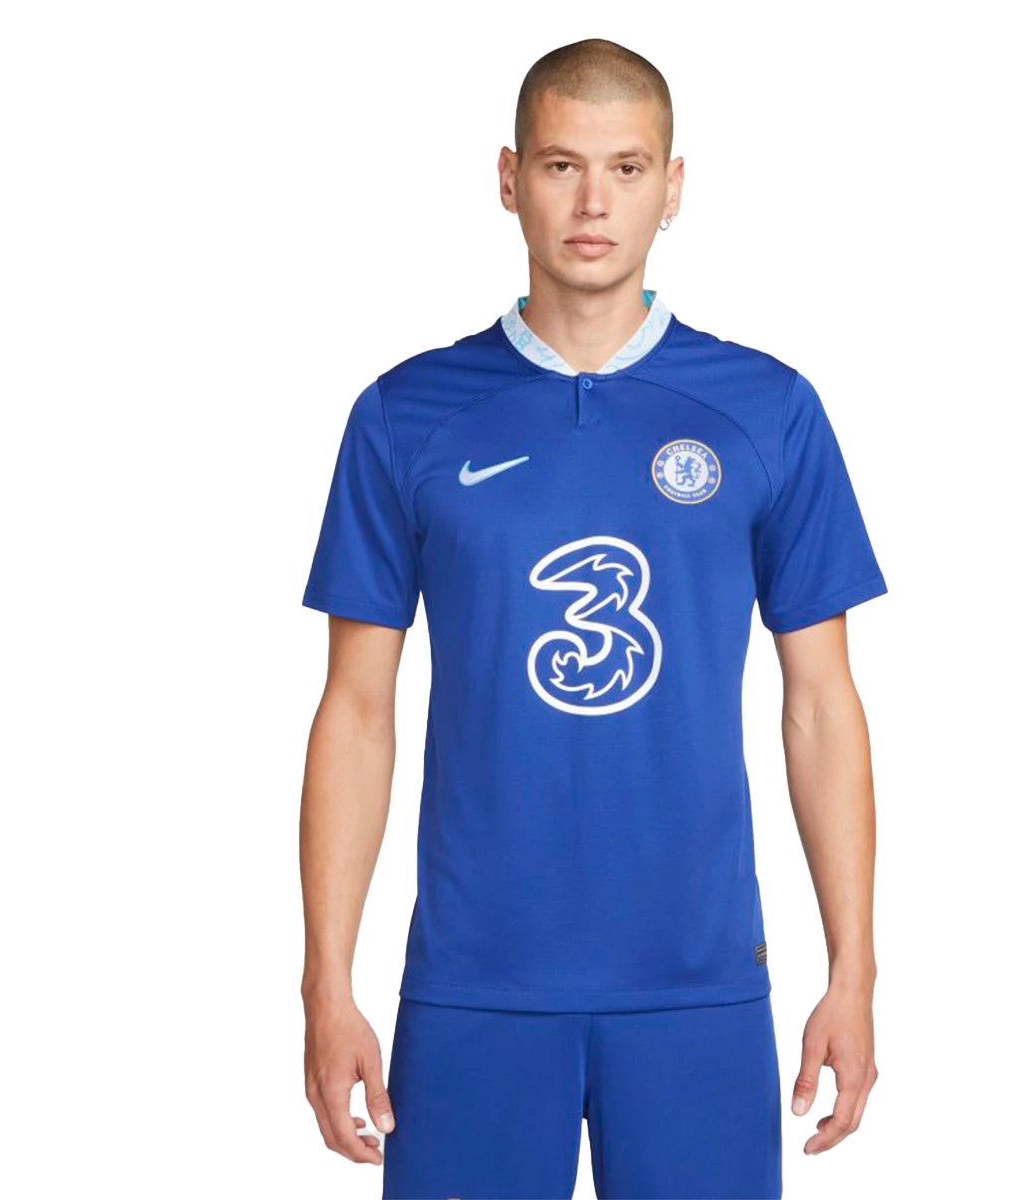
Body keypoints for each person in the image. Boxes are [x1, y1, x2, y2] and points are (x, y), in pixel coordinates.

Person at [299, 37, 885, 1200]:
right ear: (509, 177)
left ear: (674, 187)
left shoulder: (768, 411)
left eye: (627, 168)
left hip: (699, 982)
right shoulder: (406, 415)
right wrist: (325, 981)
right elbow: (357, 713)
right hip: (472, 982)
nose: (593, 203)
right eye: (563, 165)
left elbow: (822, 705)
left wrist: (854, 971)